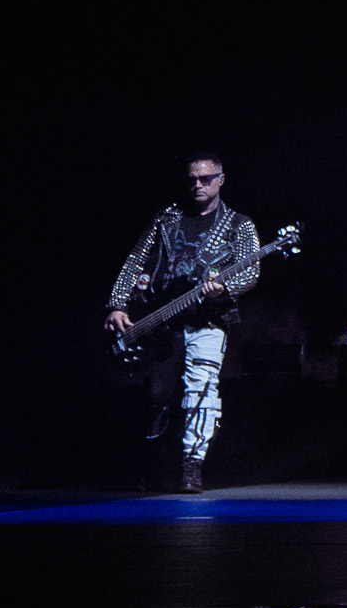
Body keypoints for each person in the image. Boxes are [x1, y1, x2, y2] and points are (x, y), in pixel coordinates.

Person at [105, 152, 262, 492]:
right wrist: (118, 303)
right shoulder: (167, 218)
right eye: (192, 179)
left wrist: (225, 287)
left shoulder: (239, 224)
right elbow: (136, 259)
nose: (197, 185)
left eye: (205, 179)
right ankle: (152, 464)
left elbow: (251, 270)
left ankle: (192, 468)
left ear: (220, 179)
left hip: (210, 320)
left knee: (201, 391)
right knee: (156, 394)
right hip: (162, 320)